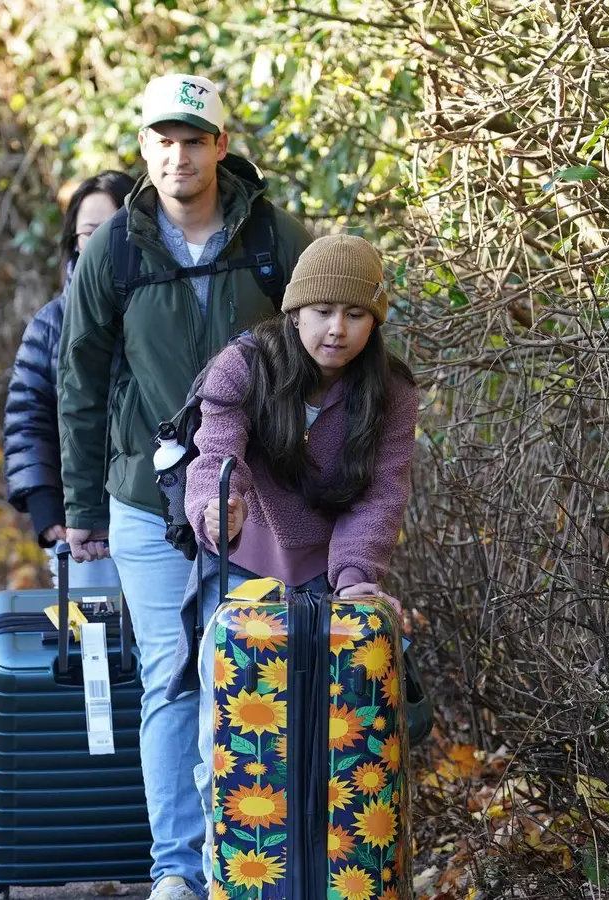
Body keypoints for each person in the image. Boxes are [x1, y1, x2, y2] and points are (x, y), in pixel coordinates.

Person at [57, 73, 314, 900]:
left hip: (254, 500)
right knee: (172, 672)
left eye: (194, 139)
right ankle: (177, 868)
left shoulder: (275, 237)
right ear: (144, 150)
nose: (179, 155)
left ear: (220, 147)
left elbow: (336, 347)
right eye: (163, 141)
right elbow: (80, 381)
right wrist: (82, 510)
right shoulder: (116, 249)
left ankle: (239, 860)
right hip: (146, 498)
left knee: (239, 669)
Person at [180, 234, 420, 884]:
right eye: (321, 312)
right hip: (245, 566)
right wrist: (216, 507)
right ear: (294, 312)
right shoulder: (244, 365)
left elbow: (380, 496)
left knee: (335, 740)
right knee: (228, 739)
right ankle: (225, 878)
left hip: (330, 577)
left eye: (355, 314)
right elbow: (216, 455)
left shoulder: (391, 392)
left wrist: (356, 583)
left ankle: (326, 876)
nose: (336, 329)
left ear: (375, 321)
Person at [3, 170, 133, 588]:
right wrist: (46, 507)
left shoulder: (161, 316)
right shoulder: (52, 323)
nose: (97, 244)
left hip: (163, 519)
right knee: (94, 648)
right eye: (87, 233)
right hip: (81, 530)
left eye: (111, 230)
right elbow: (28, 416)